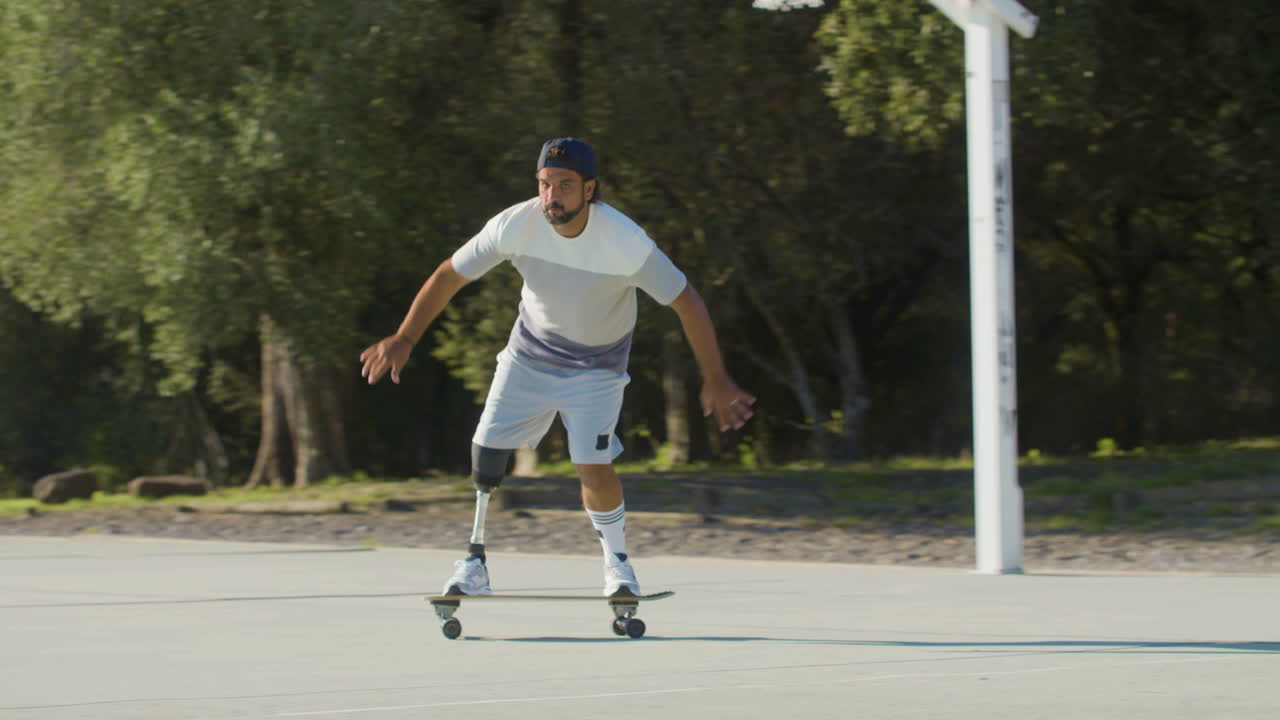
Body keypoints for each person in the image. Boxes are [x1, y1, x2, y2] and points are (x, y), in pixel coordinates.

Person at [360, 137, 755, 597]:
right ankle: (474, 562)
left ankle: (618, 566)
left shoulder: (624, 241)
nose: (552, 196)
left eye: (565, 185)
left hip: (598, 367)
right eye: (545, 184)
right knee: (485, 455)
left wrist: (715, 377)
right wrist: (405, 337)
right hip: (529, 356)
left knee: (593, 465)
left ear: (590, 189)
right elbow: (449, 274)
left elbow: (687, 301)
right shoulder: (515, 224)